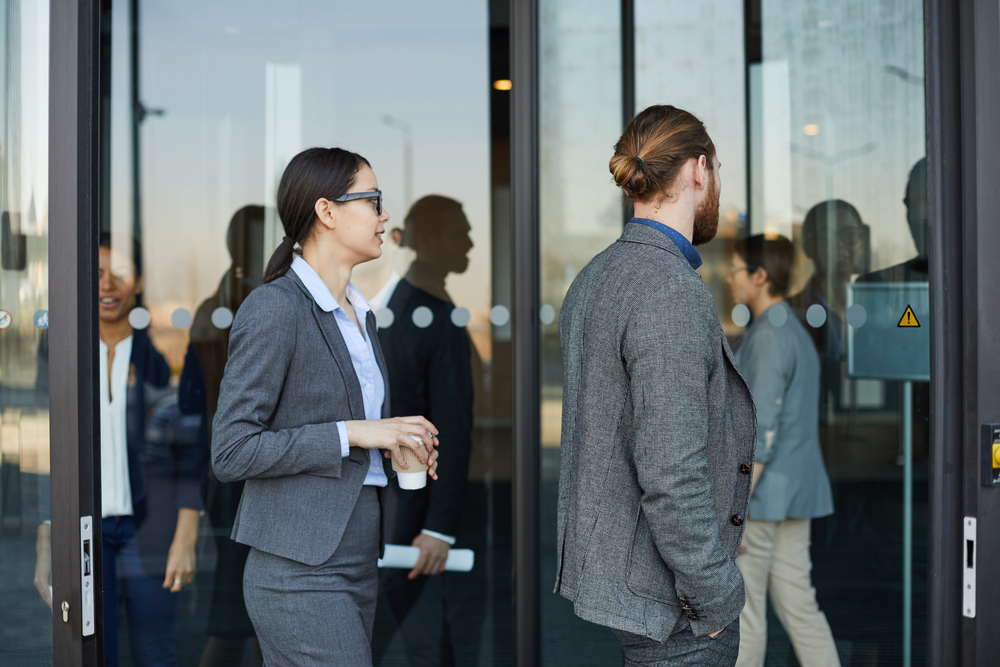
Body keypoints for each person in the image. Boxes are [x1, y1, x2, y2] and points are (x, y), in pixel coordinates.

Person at [211, 147, 441, 667]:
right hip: (296, 570)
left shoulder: (362, 317)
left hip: (358, 556)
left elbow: (350, 441)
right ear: (327, 211)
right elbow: (231, 451)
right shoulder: (275, 308)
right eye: (374, 201)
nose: (386, 217)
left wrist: (395, 450)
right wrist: (358, 433)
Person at [555, 104, 756, 666]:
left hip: (629, 587)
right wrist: (716, 597)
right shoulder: (668, 289)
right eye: (716, 171)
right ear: (698, 171)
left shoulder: (596, 276)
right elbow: (671, 470)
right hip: (673, 609)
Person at [35, 234, 205, 667]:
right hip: (83, 532)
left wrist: (186, 537)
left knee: (155, 654)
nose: (107, 285)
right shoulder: (59, 350)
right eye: (96, 274)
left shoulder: (166, 350)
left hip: (150, 531)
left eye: (120, 274)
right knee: (93, 654)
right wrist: (45, 546)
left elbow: (192, 449)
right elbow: (44, 448)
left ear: (140, 281)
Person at [726, 234, 839, 667]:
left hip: (764, 498)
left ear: (760, 276)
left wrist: (735, 509)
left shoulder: (770, 336)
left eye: (736, 269)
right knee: (800, 609)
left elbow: (762, 434)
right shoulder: (790, 329)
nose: (730, 278)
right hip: (797, 493)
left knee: (747, 616)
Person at [374, 195, 475, 667]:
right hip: (412, 516)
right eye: (461, 232)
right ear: (431, 240)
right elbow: (451, 427)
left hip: (398, 508)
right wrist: (438, 528)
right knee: (429, 649)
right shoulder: (432, 316)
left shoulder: (401, 305)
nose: (472, 241)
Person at [177, 205, 265, 666]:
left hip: (248, 468)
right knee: (235, 607)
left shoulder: (218, 305)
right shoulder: (223, 309)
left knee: (252, 608)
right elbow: (193, 403)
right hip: (235, 472)